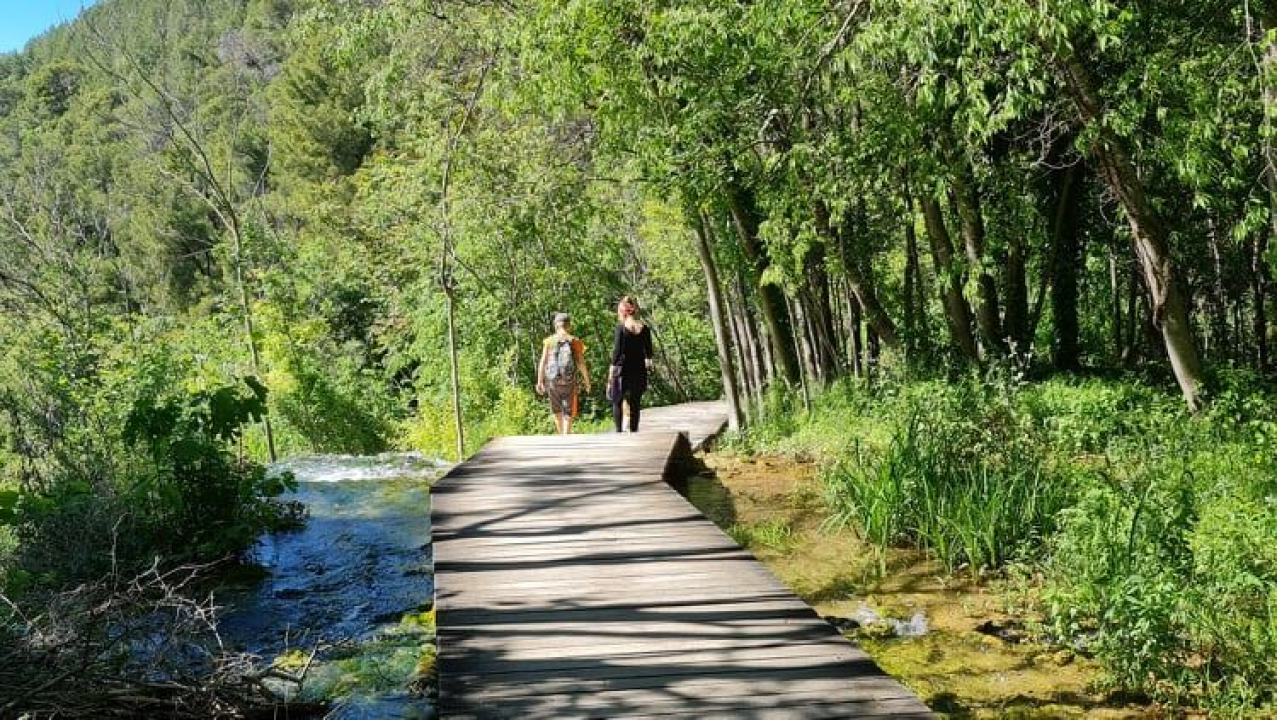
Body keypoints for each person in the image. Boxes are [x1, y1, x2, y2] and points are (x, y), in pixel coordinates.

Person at [537, 312, 591, 435]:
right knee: (568, 412)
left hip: (552, 381)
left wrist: (539, 382)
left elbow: (543, 362)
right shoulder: (574, 341)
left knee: (557, 412)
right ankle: (567, 436)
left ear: (556, 326)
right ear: (569, 326)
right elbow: (581, 363)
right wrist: (587, 382)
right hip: (569, 381)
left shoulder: (549, 341)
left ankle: (561, 438)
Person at [607, 295, 653, 433]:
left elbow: (617, 352)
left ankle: (618, 431)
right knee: (635, 403)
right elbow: (649, 353)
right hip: (639, 369)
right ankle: (634, 431)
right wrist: (649, 367)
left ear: (623, 312)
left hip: (622, 369)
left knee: (617, 400)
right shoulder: (644, 329)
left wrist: (611, 373)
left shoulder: (621, 329)